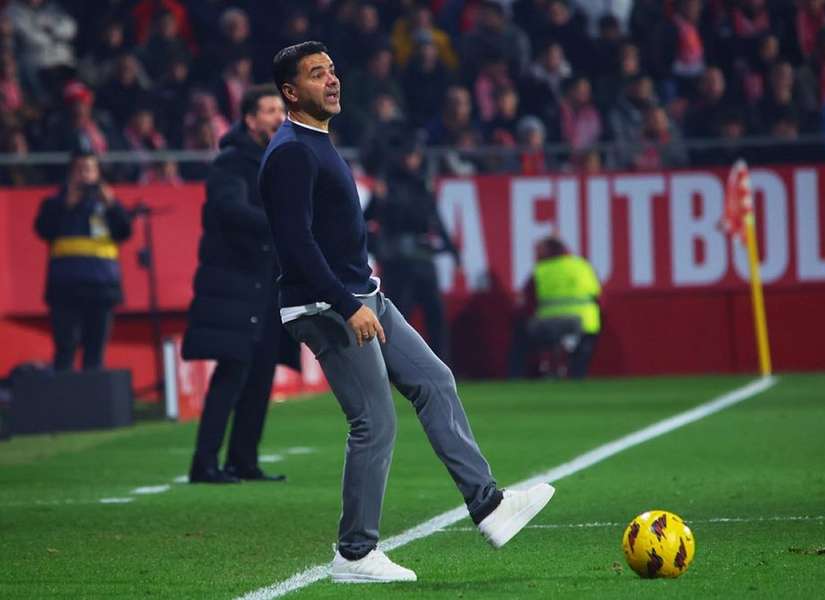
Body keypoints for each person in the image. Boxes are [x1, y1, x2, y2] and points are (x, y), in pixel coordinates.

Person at [259, 41, 554, 584]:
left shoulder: (315, 143)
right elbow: (294, 243)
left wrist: (362, 291)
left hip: (361, 294)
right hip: (329, 305)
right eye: (316, 73)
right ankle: (354, 554)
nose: (332, 79)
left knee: (434, 379)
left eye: (332, 68)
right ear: (290, 92)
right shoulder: (291, 152)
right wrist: (348, 306)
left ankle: (488, 505)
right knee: (373, 421)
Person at [182, 85, 298, 484]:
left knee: (261, 373)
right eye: (269, 110)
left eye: (280, 110)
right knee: (233, 371)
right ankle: (204, 463)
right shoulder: (231, 163)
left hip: (263, 286)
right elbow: (229, 210)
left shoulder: (275, 162)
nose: (279, 117)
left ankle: (243, 460)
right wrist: (278, 224)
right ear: (250, 119)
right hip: (234, 283)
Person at [33, 151, 132, 371]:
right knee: (65, 351)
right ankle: (63, 404)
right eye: (79, 169)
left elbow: (125, 231)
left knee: (95, 354)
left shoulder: (107, 203)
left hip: (102, 288)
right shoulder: (54, 202)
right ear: (70, 174)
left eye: (89, 169)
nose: (84, 175)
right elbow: (42, 229)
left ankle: (92, 404)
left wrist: (112, 205)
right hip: (65, 287)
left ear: (98, 174)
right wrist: (65, 205)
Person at [364, 140, 459, 360]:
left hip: (423, 257)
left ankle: (441, 365)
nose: (411, 160)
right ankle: (395, 366)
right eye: (408, 156)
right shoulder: (388, 184)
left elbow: (435, 219)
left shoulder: (422, 183)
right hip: (397, 261)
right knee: (398, 317)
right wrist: (380, 200)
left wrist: (453, 250)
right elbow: (365, 220)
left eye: (415, 156)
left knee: (435, 314)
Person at [508, 236, 601, 379]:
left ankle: (516, 378)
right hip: (585, 324)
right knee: (581, 354)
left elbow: (526, 305)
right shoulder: (582, 266)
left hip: (549, 325)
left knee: (520, 332)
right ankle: (578, 378)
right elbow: (599, 297)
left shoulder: (541, 271)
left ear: (548, 252)